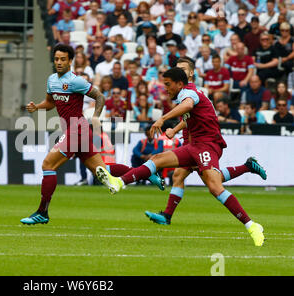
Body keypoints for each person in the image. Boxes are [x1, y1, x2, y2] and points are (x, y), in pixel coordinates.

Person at [95, 67, 266, 247]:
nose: (165, 89)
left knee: (214, 186)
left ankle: (252, 225)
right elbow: (189, 113)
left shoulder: (190, 93)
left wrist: (162, 119)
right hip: (194, 146)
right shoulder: (187, 94)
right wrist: (175, 129)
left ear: (180, 83)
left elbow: (188, 106)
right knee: (158, 159)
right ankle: (119, 182)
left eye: (168, 85)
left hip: (207, 144)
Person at [20, 44, 163, 225]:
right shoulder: (51, 80)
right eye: (56, 59)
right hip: (75, 131)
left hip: (77, 130)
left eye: (63, 59)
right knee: (102, 171)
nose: (59, 62)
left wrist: (95, 116)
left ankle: (42, 212)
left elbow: (100, 97)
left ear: (70, 61)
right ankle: (146, 172)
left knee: (48, 165)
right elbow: (50, 102)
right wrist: (37, 107)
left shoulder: (75, 81)